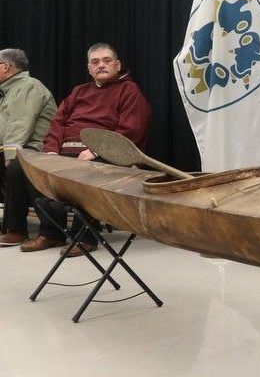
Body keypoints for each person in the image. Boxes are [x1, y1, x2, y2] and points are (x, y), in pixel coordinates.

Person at [19, 43, 151, 257]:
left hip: (104, 156)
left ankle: (85, 237)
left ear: (118, 65)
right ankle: (52, 233)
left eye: (107, 60)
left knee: (87, 171)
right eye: (95, 62)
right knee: (24, 167)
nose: (101, 65)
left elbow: (130, 130)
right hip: (63, 153)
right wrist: (51, 152)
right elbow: (58, 122)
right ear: (89, 68)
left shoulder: (129, 91)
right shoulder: (79, 91)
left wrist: (97, 151)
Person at [0, 49, 57, 245]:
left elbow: (20, 124)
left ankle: (16, 228)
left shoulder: (29, 86)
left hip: (34, 148)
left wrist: (10, 156)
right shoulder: (8, 91)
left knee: (15, 167)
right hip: (14, 146)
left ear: (6, 67)